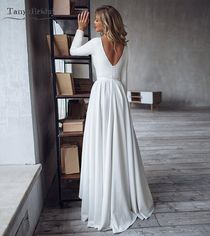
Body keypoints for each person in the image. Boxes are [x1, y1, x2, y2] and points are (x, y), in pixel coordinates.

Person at [70, 5, 154, 234]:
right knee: (118, 144)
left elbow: (73, 51)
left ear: (106, 22)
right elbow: (124, 80)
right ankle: (122, 194)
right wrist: (125, 108)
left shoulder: (96, 44)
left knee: (100, 144)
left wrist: (80, 30)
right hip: (117, 96)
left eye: (96, 21)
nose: (93, 24)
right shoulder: (124, 47)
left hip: (101, 96)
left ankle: (105, 194)